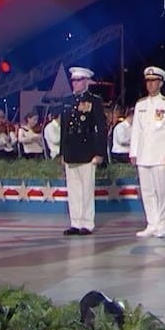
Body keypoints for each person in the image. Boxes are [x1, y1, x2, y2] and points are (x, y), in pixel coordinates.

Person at [130, 66, 165, 238]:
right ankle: (152, 223)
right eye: (148, 81)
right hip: (144, 154)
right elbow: (136, 130)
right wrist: (133, 152)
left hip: (160, 155)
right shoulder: (140, 104)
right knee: (147, 191)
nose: (150, 84)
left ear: (160, 83)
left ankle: (163, 224)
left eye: (153, 81)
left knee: (162, 192)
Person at [61, 66, 107, 236]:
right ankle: (75, 222)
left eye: (78, 80)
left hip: (88, 151)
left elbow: (101, 128)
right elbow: (64, 129)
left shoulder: (94, 101)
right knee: (73, 189)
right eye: (73, 80)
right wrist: (62, 152)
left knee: (87, 189)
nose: (75, 83)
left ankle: (87, 223)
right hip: (71, 151)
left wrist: (100, 152)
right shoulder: (67, 100)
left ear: (86, 81)